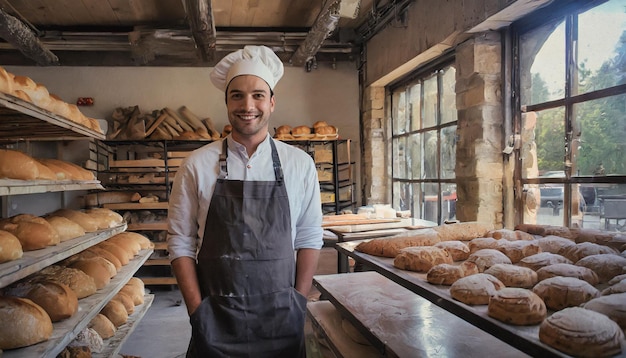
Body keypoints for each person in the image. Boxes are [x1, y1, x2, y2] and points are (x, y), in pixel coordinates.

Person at [167, 45, 323, 358]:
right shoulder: (196, 165)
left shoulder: (300, 164)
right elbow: (180, 242)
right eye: (236, 95)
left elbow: (309, 236)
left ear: (272, 102)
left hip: (283, 318)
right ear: (226, 102)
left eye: (258, 95)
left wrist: (299, 302)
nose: (247, 105)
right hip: (216, 318)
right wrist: (197, 312)